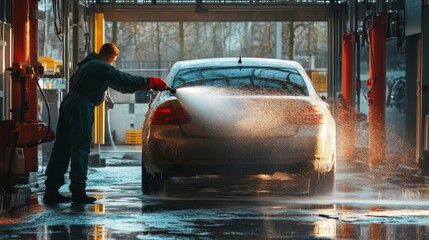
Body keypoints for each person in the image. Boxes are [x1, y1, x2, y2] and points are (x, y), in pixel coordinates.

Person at [43, 43, 167, 204]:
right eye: (112, 61)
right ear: (109, 57)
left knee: (62, 147)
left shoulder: (88, 64)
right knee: (80, 147)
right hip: (81, 105)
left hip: (69, 102)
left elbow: (120, 86)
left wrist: (142, 87)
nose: (111, 64)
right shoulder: (100, 65)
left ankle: (51, 190)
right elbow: (124, 79)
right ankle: (78, 191)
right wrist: (150, 81)